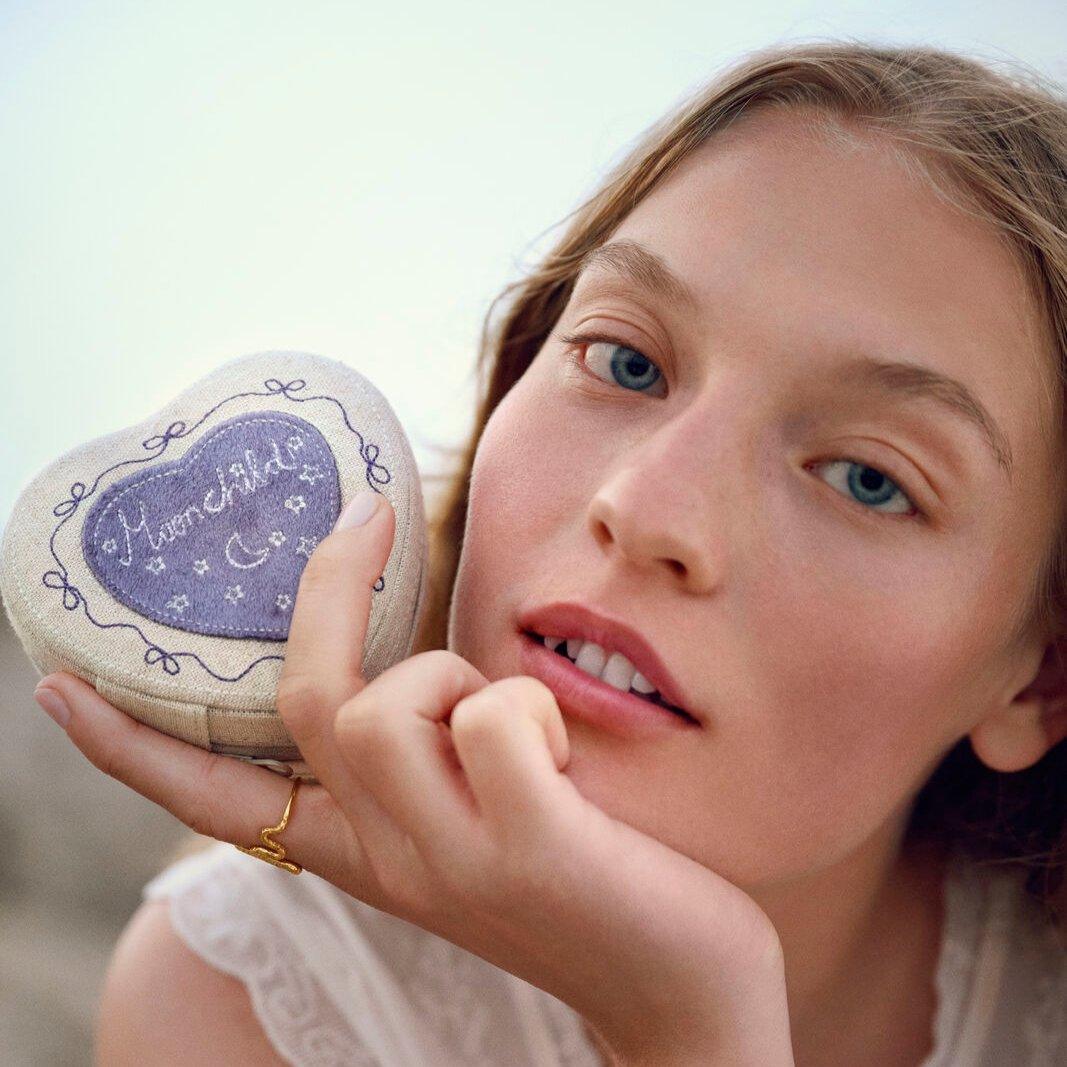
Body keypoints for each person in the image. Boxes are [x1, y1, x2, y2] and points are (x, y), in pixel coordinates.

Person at [31, 37, 1067, 1066]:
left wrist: (694, 1030)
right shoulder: (236, 1002)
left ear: (1041, 681)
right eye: (624, 361)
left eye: (866, 478)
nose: (646, 507)